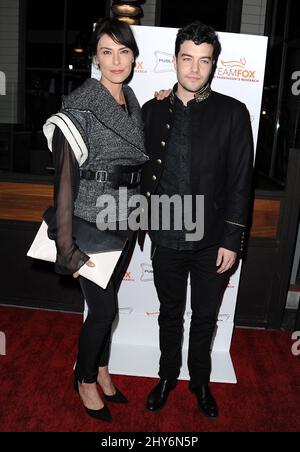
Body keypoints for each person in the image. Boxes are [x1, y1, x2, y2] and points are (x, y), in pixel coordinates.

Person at [139, 21, 253, 418]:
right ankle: (167, 376)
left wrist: (232, 239)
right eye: (187, 58)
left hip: (211, 240)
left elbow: (241, 182)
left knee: (205, 317)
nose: (194, 68)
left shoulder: (233, 113)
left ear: (213, 65)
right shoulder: (152, 110)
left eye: (204, 61)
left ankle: (200, 381)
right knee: (170, 314)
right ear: (174, 60)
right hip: (165, 234)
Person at [43, 18, 148, 422]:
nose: (116, 60)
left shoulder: (133, 99)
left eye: (124, 51)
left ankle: (102, 368)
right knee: (102, 311)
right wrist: (66, 247)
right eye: (107, 51)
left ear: (134, 58)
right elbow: (64, 180)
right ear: (95, 58)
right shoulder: (80, 103)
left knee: (111, 307)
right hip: (90, 221)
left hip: (126, 217)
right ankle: (84, 378)